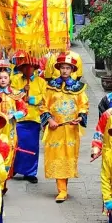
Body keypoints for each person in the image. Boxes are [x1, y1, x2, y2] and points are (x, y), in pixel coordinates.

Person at [40, 51, 89, 202]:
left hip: (71, 129)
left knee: (68, 157)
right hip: (56, 129)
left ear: (72, 70)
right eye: (62, 67)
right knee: (57, 157)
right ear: (59, 68)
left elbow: (84, 106)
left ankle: (64, 188)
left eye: (68, 68)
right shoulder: (51, 86)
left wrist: (80, 117)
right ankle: (61, 189)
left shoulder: (78, 88)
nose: (65, 70)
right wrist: (49, 120)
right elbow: (43, 106)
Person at [11, 53, 47, 183]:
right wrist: (21, 91)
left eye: (30, 67)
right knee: (18, 144)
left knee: (32, 146)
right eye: (25, 67)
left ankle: (30, 172)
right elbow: (11, 93)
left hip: (34, 118)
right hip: (20, 118)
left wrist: (31, 99)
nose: (28, 69)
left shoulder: (41, 82)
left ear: (34, 68)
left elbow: (44, 98)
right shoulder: (15, 79)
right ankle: (15, 168)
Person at [0, 61, 27, 179]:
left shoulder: (15, 94)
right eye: (0, 78)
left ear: (9, 78)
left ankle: (4, 180)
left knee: (8, 153)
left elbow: (24, 110)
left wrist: (14, 115)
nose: (3, 80)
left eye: (5, 77)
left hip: (10, 129)